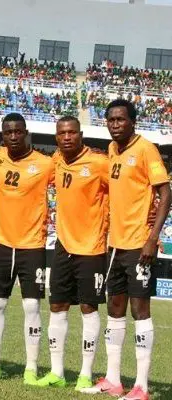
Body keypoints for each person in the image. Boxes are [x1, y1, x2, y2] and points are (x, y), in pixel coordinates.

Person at [87, 99, 170, 400]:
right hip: (115, 245)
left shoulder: (146, 149)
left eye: (121, 119)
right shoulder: (112, 150)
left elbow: (165, 193)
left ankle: (142, 387)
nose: (115, 124)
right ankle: (113, 380)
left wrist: (152, 238)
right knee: (115, 308)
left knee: (140, 310)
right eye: (110, 119)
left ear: (133, 122)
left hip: (139, 244)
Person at [0, 113, 54, 384]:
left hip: (32, 245)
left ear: (26, 133)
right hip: (1, 243)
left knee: (31, 306)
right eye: (8, 132)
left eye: (18, 131)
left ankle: (31, 368)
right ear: (2, 135)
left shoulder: (45, 164)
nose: (13, 136)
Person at [35, 116, 109, 391]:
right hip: (63, 246)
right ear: (56, 137)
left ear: (81, 134)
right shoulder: (56, 160)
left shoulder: (99, 163)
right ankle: (57, 372)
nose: (67, 137)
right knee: (57, 306)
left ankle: (85, 374)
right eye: (62, 133)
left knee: (89, 308)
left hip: (91, 248)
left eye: (72, 133)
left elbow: (121, 190)